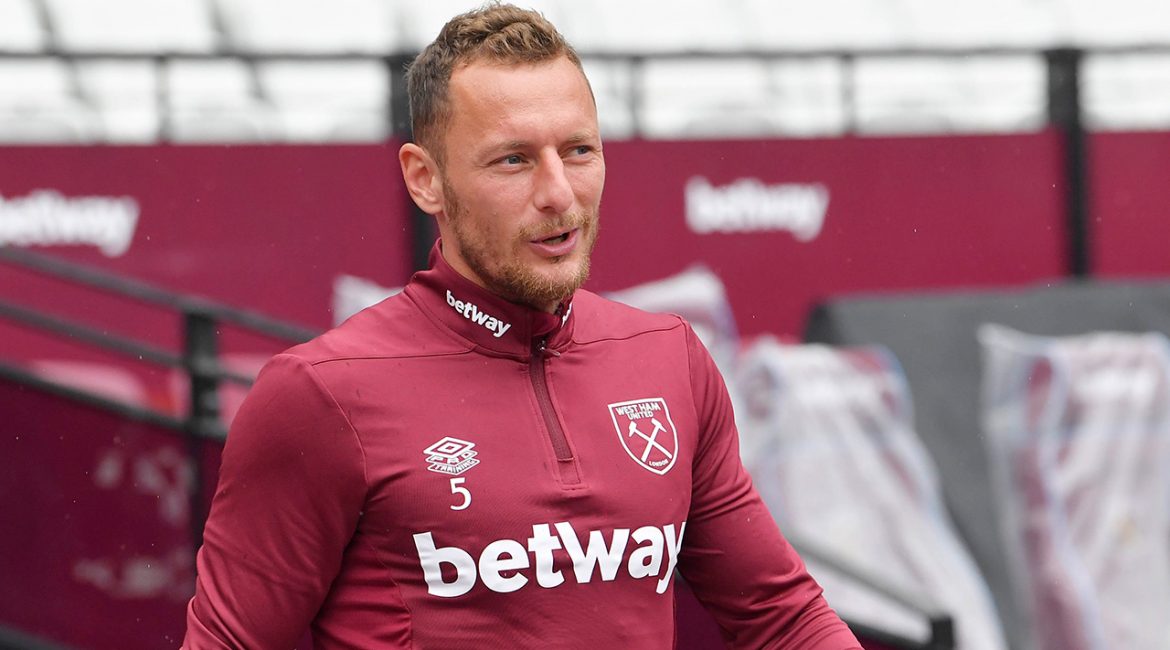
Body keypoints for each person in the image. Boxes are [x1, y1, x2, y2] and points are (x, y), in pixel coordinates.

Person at [183, 3, 862, 648]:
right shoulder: (319, 394)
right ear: (425, 180)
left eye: (579, 151)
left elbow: (783, 619)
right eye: (513, 159)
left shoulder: (669, 359)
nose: (559, 193)